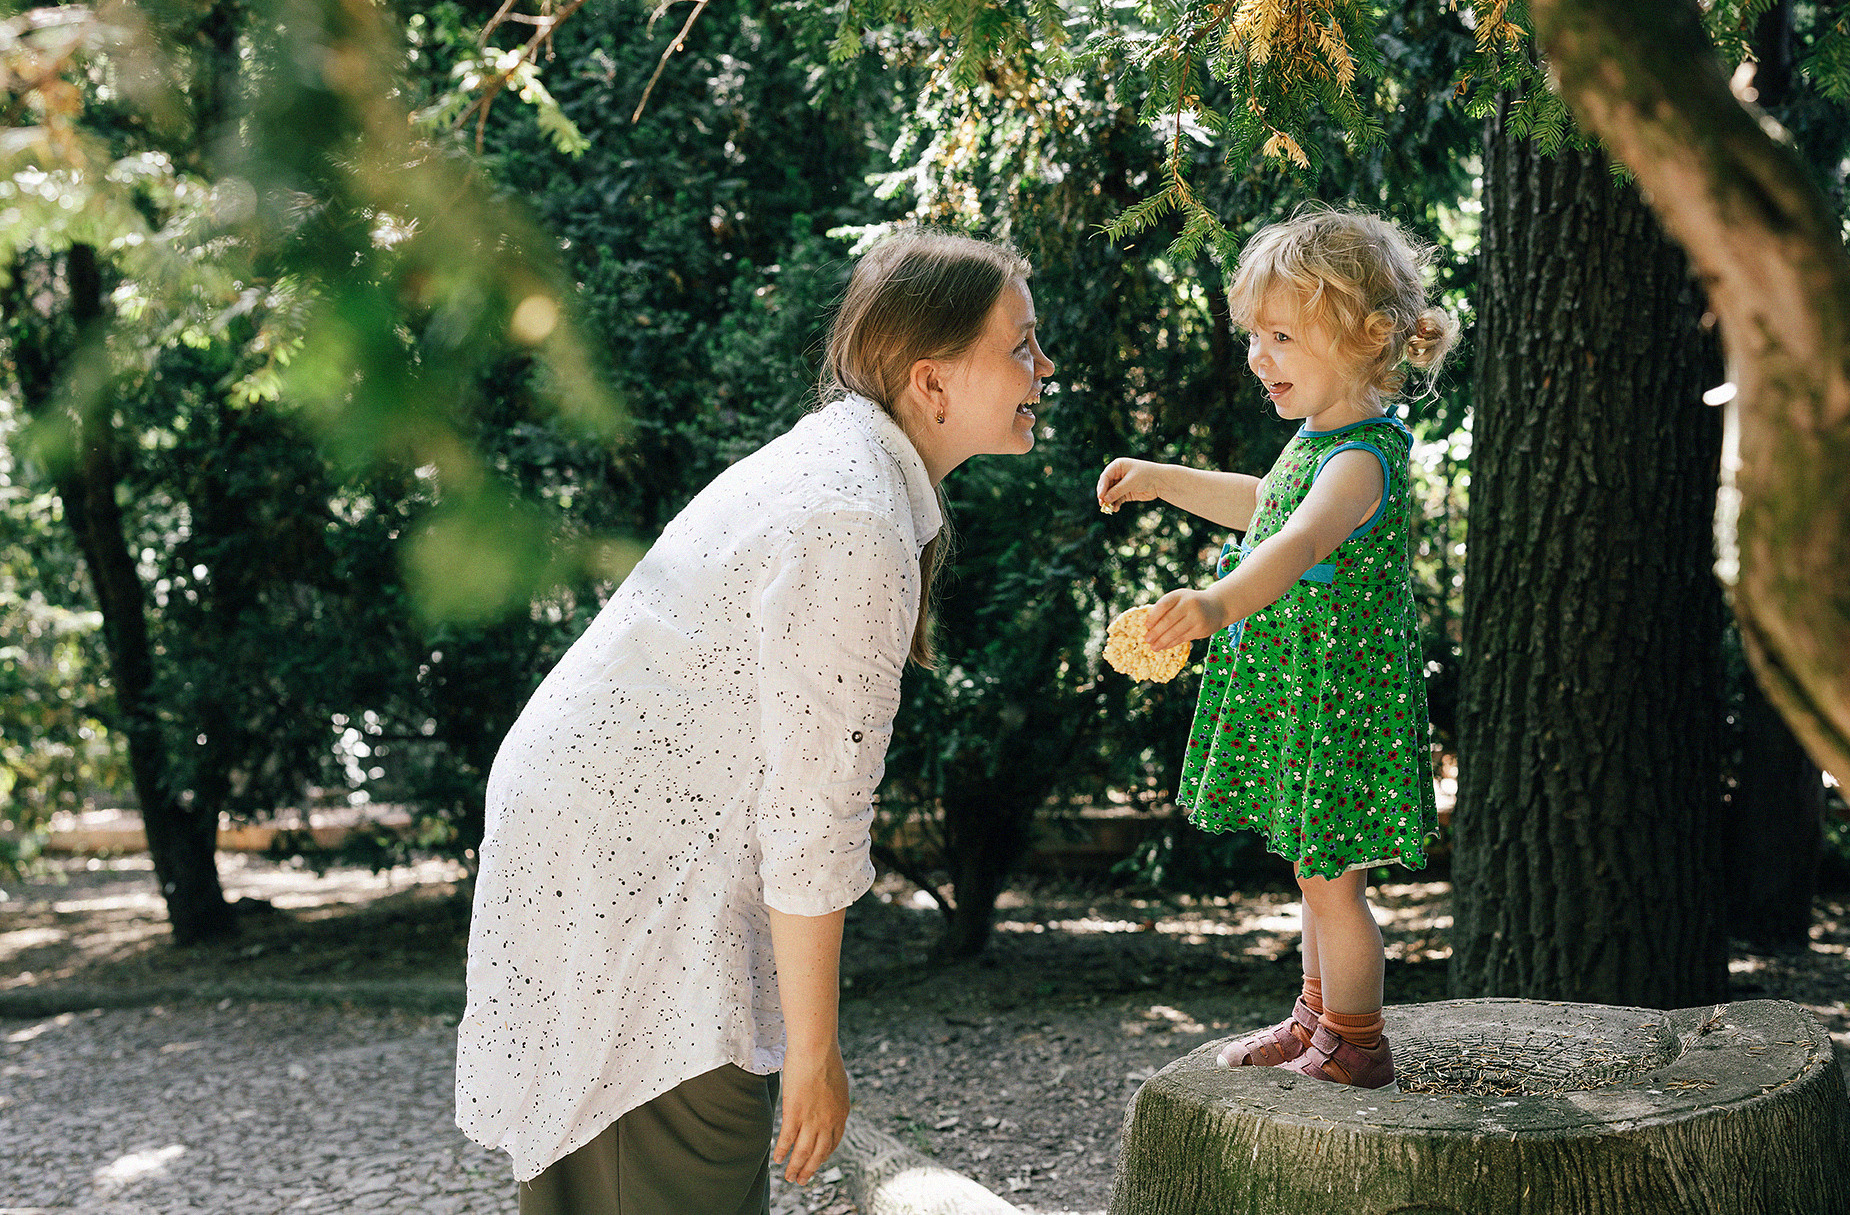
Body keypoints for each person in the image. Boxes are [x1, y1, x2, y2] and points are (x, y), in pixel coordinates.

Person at [455, 231, 1055, 1214]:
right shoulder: (855, 516)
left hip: (598, 846)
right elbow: (812, 822)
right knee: (674, 1165)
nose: (1042, 368)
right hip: (631, 879)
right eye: (1020, 344)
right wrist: (814, 1053)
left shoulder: (848, 467)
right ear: (931, 381)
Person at [1096, 206, 1456, 1089]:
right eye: (1255, 335)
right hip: (1309, 689)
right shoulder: (1321, 441)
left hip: (1340, 697)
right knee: (1312, 872)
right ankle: (1319, 1019)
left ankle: (1358, 1042)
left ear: (1366, 339)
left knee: (1334, 880)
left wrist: (1215, 604)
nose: (1259, 356)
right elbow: (1267, 503)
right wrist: (1164, 480)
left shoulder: (1362, 460)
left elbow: (1292, 549)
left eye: (1283, 335)